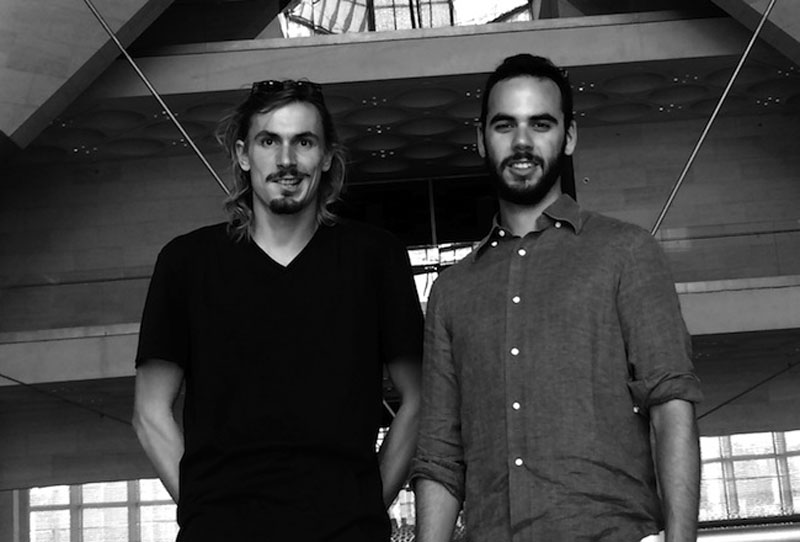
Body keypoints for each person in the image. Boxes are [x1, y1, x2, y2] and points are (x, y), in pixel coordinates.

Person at [411, 54, 703, 542]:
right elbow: (440, 456)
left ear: (568, 137)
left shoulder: (626, 252)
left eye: (541, 124)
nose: (522, 142)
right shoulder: (451, 290)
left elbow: (671, 404)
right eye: (505, 125)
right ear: (481, 138)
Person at [132, 79, 423, 541]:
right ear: (244, 154)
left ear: (326, 156)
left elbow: (419, 399)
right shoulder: (186, 262)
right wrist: (205, 515)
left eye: (303, 142)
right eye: (269, 141)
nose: (286, 160)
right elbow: (149, 411)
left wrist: (366, 507)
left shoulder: (375, 258)